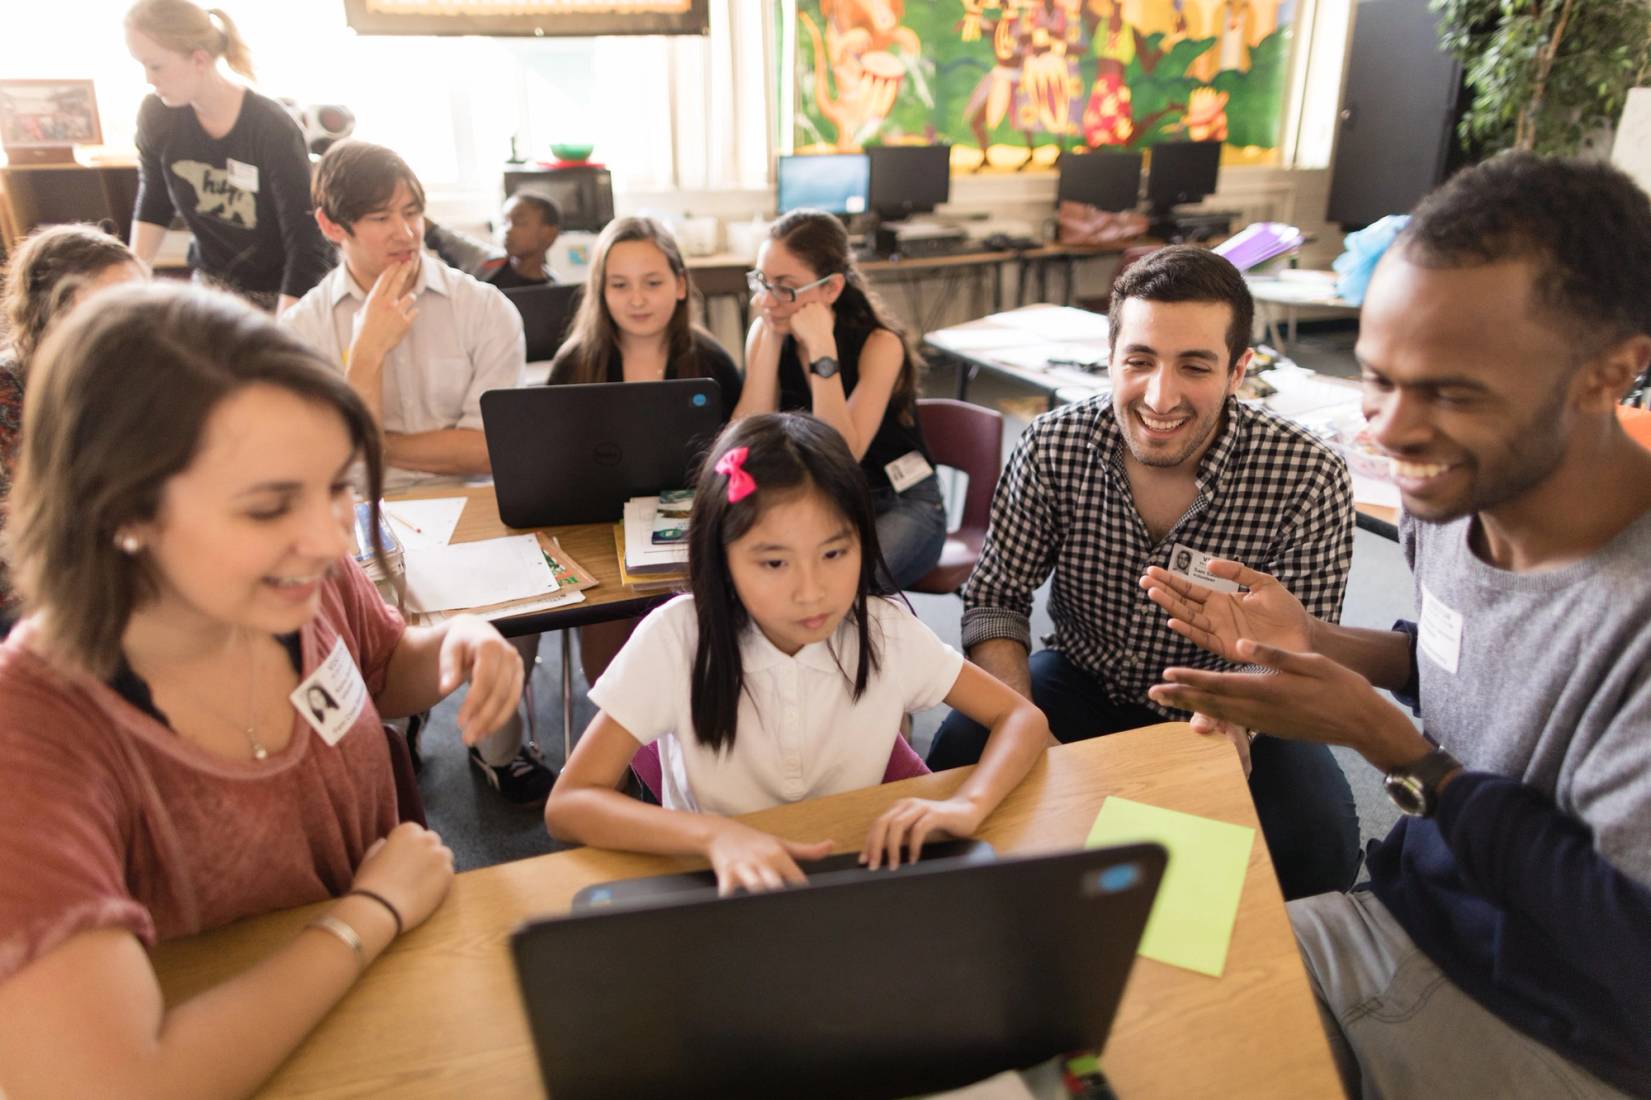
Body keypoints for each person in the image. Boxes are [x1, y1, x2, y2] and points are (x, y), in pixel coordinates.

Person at [1144, 154, 1651, 1098]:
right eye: (1376, 378)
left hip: (1566, 1020)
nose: (1388, 431)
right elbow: (1472, 660)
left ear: (1609, 373)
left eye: (1452, 391)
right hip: (1406, 911)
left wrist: (1398, 752)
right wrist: (1317, 644)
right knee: (1118, 1004)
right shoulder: (1455, 491)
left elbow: (1627, 949)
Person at [0, 283, 534, 1097]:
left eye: (334, 488)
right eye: (267, 507)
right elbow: (116, 1082)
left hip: (400, 1015)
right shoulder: (36, 732)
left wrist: (458, 640)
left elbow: (385, 669)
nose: (327, 539)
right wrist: (368, 915)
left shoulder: (299, 584)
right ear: (120, 509)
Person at [926, 245, 1359, 902]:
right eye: (1139, 361)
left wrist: (1237, 721)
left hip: (1224, 698)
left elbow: (1301, 645)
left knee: (1316, 850)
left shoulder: (1307, 476)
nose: (1160, 396)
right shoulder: (1051, 446)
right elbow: (997, 598)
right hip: (1081, 678)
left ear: (1238, 369)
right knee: (958, 756)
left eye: (1194, 366)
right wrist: (1018, 718)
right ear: (1110, 359)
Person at [544, 413, 1049, 894]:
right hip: (716, 878)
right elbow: (569, 804)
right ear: (722, 558)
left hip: (851, 871)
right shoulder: (678, 637)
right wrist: (714, 836)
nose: (811, 592)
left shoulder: (883, 629)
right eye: (774, 562)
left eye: (834, 553)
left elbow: (1020, 718)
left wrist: (970, 804)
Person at [282, 139, 552, 803]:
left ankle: (499, 746)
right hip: (354, 513)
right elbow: (326, 464)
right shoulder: (302, 328)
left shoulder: (483, 308)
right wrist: (365, 357)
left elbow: (487, 450)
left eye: (413, 211)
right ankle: (393, 720)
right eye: (380, 218)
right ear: (331, 225)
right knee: (346, 585)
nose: (405, 233)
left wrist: (370, 435)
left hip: (469, 500)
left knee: (524, 588)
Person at [546, 215, 744, 683]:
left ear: (679, 285)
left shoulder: (711, 361)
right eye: (619, 285)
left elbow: (737, 461)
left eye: (652, 282)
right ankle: (626, 750)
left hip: (691, 533)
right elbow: (552, 464)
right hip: (597, 535)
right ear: (601, 291)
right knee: (610, 666)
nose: (636, 299)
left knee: (697, 657)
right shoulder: (575, 363)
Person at [732, 209, 946, 590]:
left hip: (902, 501)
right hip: (820, 503)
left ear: (831, 289)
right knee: (762, 583)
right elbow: (744, 444)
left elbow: (843, 456)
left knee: (837, 588)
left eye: (784, 286)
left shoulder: (880, 344)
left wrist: (821, 351)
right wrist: (771, 340)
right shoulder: (767, 329)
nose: (767, 300)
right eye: (762, 281)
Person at [125, 0, 333, 312]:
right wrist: (130, 286)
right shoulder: (158, 115)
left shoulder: (271, 127)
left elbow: (306, 242)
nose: (148, 79)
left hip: (285, 292)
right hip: (213, 288)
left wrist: (287, 329)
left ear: (199, 59)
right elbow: (154, 200)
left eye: (155, 66)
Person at [0, 224, 147, 611]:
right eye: (113, 306)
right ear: (54, 314)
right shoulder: (9, 390)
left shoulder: (138, 377)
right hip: (36, 593)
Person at [481, 191, 561, 290]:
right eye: (504, 222)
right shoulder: (485, 268)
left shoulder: (554, 288)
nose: (507, 230)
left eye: (519, 222)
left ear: (550, 234)